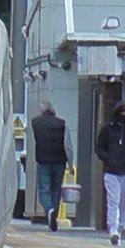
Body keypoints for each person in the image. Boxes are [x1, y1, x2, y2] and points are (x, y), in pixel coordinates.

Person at [95, 101, 125, 245]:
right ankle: (113, 229)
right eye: (123, 111)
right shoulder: (108, 129)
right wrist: (109, 160)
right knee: (113, 201)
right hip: (112, 172)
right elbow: (99, 148)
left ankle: (120, 228)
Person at [30, 99, 74, 231]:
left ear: (41, 111)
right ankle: (53, 215)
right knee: (56, 189)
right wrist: (70, 164)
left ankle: (49, 210)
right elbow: (68, 146)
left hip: (43, 161)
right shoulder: (62, 124)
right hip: (60, 162)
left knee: (44, 190)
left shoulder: (35, 123)